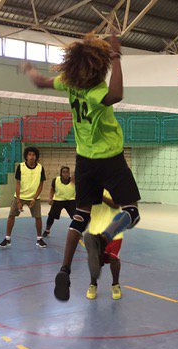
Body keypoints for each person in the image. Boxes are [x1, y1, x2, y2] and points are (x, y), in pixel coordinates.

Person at [22, 31, 141, 301]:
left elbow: (40, 82)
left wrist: (29, 68)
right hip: (110, 157)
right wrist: (116, 54)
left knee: (81, 216)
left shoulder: (68, 83)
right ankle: (102, 239)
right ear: (99, 66)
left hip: (84, 159)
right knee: (131, 212)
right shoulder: (97, 92)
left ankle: (64, 270)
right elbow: (117, 93)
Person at [0, 146, 47, 249]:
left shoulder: (40, 168)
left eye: (33, 155)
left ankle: (39, 239)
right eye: (29, 154)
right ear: (26, 156)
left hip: (34, 197)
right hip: (20, 196)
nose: (31, 157)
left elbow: (41, 185)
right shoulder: (21, 166)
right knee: (11, 215)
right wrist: (18, 200)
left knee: (38, 217)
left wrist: (34, 198)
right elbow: (18, 184)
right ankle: (7, 239)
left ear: (36, 156)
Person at [85, 190, 123, 300]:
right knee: (95, 259)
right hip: (95, 230)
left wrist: (99, 195)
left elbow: (116, 205)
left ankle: (115, 285)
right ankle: (93, 285)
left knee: (114, 258)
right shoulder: (91, 187)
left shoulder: (115, 185)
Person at [42, 166, 76, 237]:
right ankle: (47, 230)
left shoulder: (73, 180)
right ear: (61, 173)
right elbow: (52, 190)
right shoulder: (56, 180)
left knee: (75, 217)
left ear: (69, 173)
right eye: (64, 172)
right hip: (58, 200)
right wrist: (50, 198)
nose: (65, 174)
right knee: (51, 215)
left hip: (71, 201)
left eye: (67, 172)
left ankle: (77, 231)